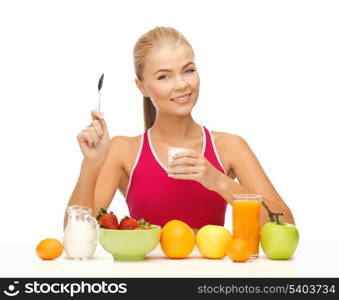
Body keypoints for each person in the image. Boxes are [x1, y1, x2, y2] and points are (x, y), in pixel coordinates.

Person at [64, 26, 295, 232]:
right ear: (142, 86)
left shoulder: (229, 147)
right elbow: (76, 235)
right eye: (164, 76)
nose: (182, 84)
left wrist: (219, 182)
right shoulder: (123, 150)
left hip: (211, 280)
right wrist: (91, 164)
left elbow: (285, 225)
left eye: (188, 70)